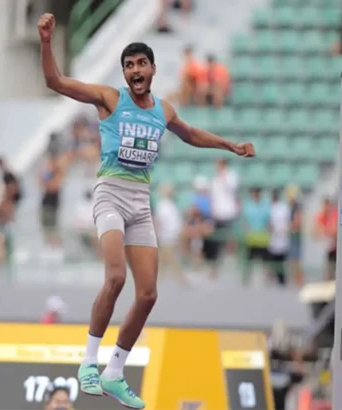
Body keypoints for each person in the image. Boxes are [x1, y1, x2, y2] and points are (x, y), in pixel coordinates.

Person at [38, 13, 255, 408]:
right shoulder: (110, 98)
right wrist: (47, 42)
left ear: (153, 69)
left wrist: (230, 145)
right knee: (116, 278)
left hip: (140, 201)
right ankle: (88, 362)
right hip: (110, 194)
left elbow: (191, 134)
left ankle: (115, 372)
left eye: (141, 64)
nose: (135, 70)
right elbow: (56, 82)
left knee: (149, 293)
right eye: (129, 65)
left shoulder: (163, 111)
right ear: (124, 73)